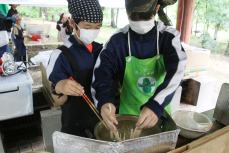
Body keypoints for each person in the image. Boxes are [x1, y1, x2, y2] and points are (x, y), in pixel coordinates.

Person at [92, 0, 187, 131]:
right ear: (127, 12)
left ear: (157, 8)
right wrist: (104, 101)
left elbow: (178, 70)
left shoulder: (168, 38)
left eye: (146, 16)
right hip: (127, 115)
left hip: (159, 112)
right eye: (134, 17)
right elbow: (102, 73)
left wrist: (156, 105)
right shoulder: (117, 41)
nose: (140, 22)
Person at [46, 0, 103, 137]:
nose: (93, 31)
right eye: (88, 27)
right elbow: (58, 100)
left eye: (98, 27)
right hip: (76, 127)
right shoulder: (61, 55)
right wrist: (60, 86)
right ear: (72, 23)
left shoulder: (101, 50)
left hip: (103, 121)